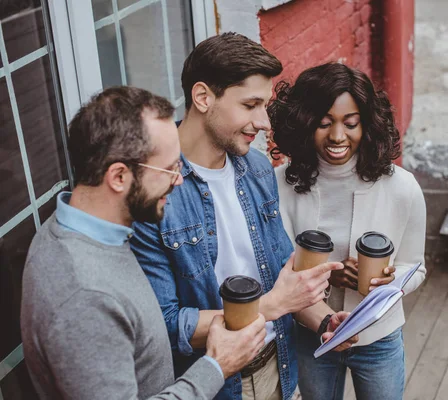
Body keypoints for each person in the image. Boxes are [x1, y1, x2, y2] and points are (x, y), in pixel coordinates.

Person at [131, 33, 356, 400]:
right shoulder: (155, 189)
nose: (265, 122)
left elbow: (281, 278)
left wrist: (325, 320)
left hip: (280, 368)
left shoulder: (257, 167)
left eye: (264, 105)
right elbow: (164, 325)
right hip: (214, 384)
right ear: (203, 98)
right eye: (250, 104)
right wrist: (271, 306)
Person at [21, 86, 268, 400]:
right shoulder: (84, 297)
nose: (178, 180)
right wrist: (217, 365)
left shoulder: (83, 227)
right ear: (119, 177)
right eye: (168, 169)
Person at [269, 62, 427, 400]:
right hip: (311, 335)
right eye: (323, 124)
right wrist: (332, 276)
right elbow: (277, 264)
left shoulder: (401, 188)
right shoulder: (281, 185)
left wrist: (390, 281)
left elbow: (416, 267)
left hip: (379, 338)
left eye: (351, 124)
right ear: (303, 123)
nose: (338, 136)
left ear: (367, 125)